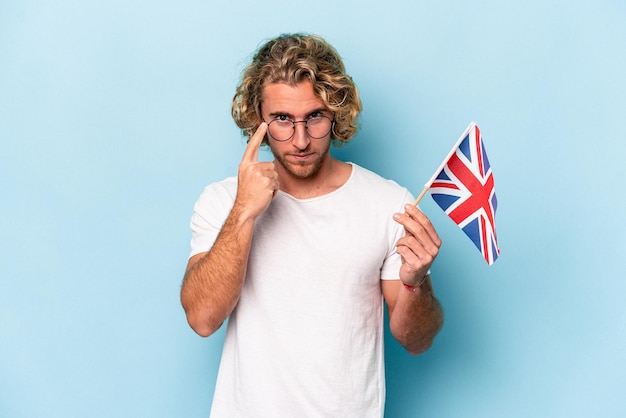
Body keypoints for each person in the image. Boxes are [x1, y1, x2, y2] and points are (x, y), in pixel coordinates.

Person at [180, 33, 444, 418]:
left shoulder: (389, 203)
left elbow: (417, 340)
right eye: (282, 120)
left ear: (336, 112)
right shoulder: (223, 201)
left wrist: (415, 282)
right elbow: (202, 319)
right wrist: (244, 211)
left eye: (314, 117)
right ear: (258, 121)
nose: (300, 140)